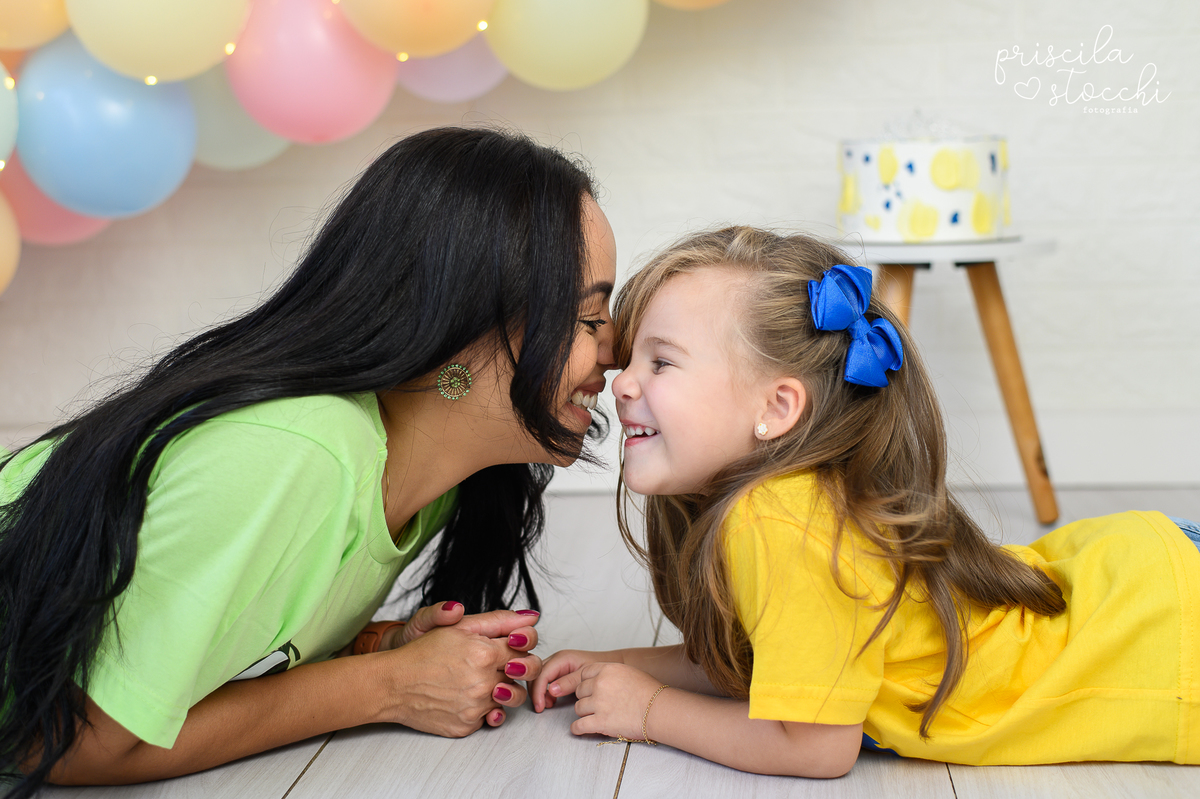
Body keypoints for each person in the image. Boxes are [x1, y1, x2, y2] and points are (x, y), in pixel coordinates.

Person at [0, 126, 618, 796]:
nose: (613, 355)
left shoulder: (424, 478)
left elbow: (240, 633)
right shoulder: (297, 455)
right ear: (463, 336)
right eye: (588, 321)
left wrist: (374, 645)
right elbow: (73, 740)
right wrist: (385, 688)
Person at [530, 226, 1200, 776]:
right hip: (1142, 588)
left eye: (662, 362)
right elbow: (770, 662)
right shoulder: (784, 502)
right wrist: (615, 664)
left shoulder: (778, 521)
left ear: (778, 407)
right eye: (632, 361)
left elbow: (817, 744)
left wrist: (650, 710)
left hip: (1162, 642)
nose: (620, 384)